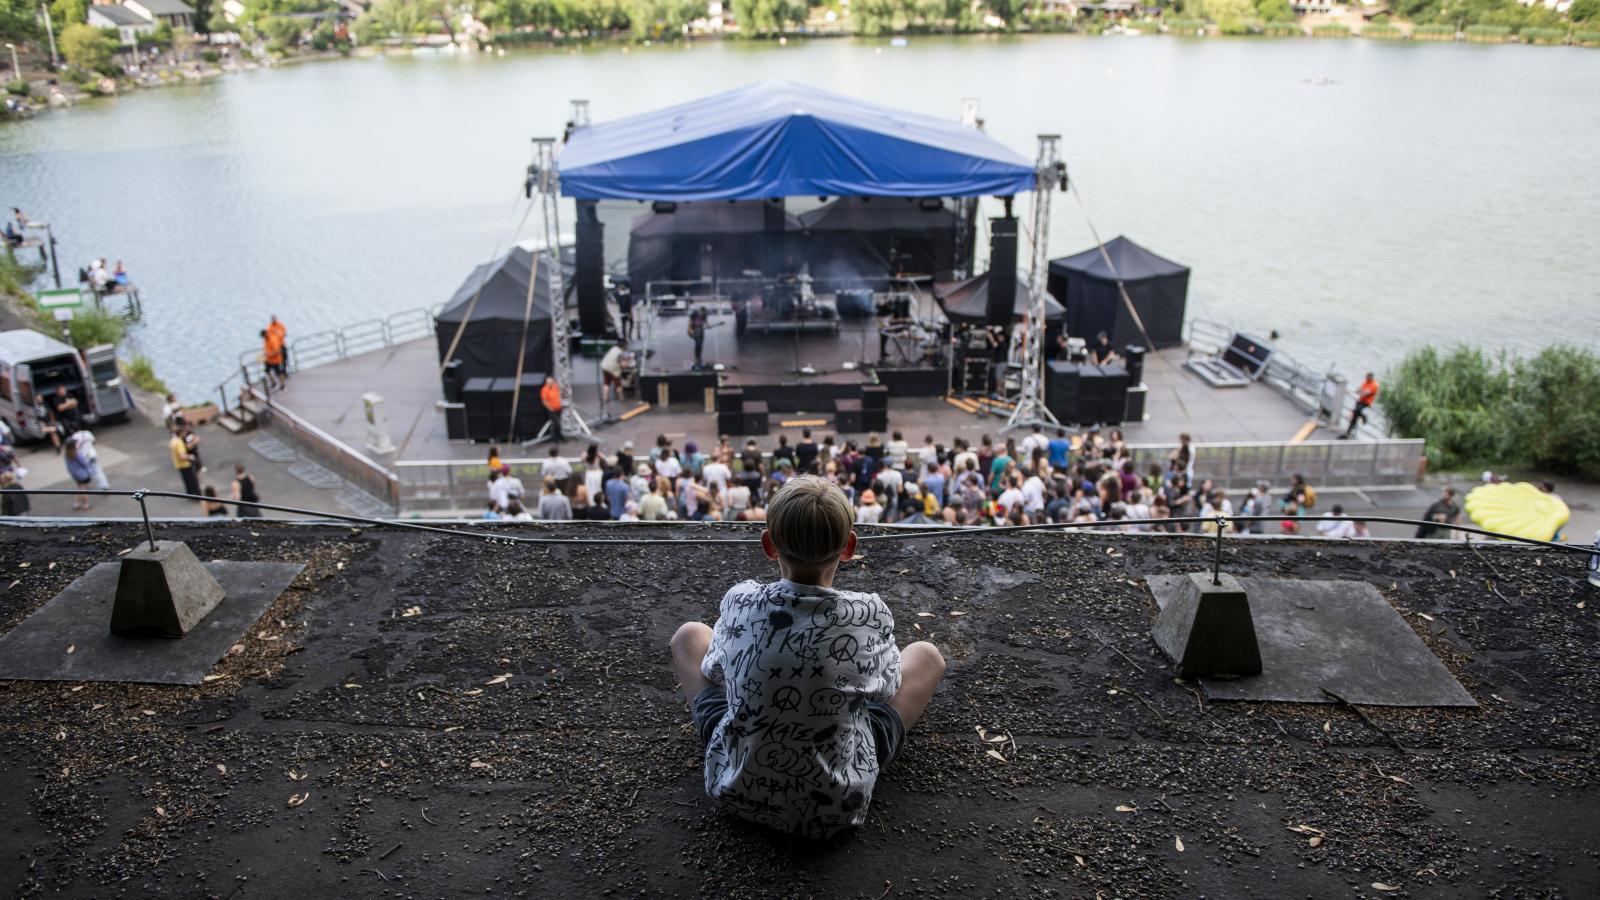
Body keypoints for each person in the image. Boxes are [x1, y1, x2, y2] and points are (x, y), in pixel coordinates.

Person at [669, 475, 946, 838]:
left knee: (689, 635)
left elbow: (712, 668)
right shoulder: (868, 613)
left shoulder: (740, 601)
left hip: (734, 785)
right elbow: (887, 687)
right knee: (927, 656)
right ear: (849, 547)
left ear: (769, 545)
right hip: (836, 802)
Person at [64, 435, 94, 511]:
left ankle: (76, 503)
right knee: (84, 490)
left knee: (79, 488)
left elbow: (69, 467)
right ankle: (85, 505)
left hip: (76, 475)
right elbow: (85, 463)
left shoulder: (67, 454)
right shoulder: (77, 454)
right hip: (83, 475)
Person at [1345, 372, 1379, 438]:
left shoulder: (1374, 385)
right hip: (1360, 401)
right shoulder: (1366, 382)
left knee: (1356, 411)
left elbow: (1365, 393)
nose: (1366, 378)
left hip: (1366, 402)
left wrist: (1361, 392)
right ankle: (1349, 431)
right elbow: (1359, 390)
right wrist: (1361, 391)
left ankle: (1363, 417)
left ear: (1370, 377)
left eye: (1367, 377)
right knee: (1355, 414)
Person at [170, 427, 201, 499]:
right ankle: (197, 495)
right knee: (193, 480)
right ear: (181, 433)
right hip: (185, 464)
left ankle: (189, 494)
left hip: (178, 464)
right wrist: (190, 456)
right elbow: (182, 456)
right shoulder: (179, 443)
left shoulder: (173, 441)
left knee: (186, 481)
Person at [600, 339, 628, 405]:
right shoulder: (620, 353)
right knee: (618, 385)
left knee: (606, 383)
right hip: (613, 370)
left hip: (605, 367)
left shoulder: (613, 348)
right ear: (624, 346)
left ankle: (605, 398)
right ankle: (621, 398)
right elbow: (623, 365)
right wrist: (627, 362)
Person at [540, 375, 564, 444]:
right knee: (556, 424)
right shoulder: (544, 390)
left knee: (559, 423)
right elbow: (544, 401)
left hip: (559, 408)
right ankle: (555, 438)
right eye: (548, 382)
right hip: (552, 410)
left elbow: (559, 395)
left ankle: (560, 436)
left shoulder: (555, 386)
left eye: (551, 381)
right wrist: (550, 409)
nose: (549, 383)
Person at [268, 315, 288, 381]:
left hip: (282, 345)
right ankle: (280, 373)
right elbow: (270, 338)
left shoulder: (280, 325)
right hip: (276, 347)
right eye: (272, 319)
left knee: (285, 359)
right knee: (278, 360)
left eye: (274, 319)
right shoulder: (270, 327)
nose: (274, 320)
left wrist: (278, 335)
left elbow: (284, 333)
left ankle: (284, 371)